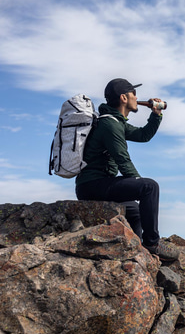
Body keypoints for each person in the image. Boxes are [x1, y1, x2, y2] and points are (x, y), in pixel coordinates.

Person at [75, 78, 174, 260]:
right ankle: (152, 244)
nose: (137, 98)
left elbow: (143, 135)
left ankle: (135, 250)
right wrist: (138, 185)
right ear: (123, 98)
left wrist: (156, 114)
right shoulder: (109, 125)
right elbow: (123, 161)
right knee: (150, 187)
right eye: (133, 94)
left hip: (96, 184)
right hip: (93, 185)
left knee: (135, 211)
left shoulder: (116, 122)